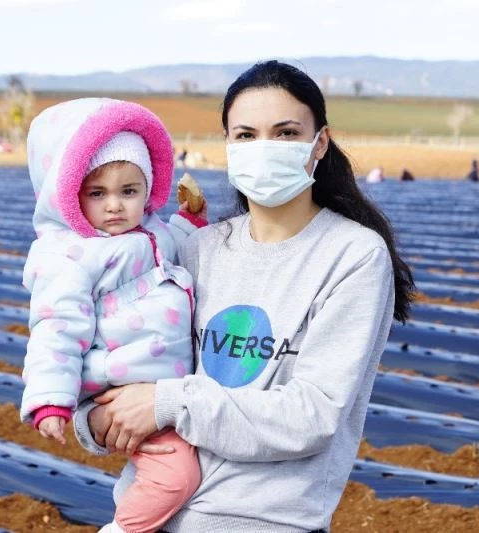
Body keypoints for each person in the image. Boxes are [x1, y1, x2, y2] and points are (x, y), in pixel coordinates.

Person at [73, 61, 415, 532]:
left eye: (285, 133)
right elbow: (134, 358)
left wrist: (167, 404)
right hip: (152, 516)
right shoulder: (197, 249)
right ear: (229, 147)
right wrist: (95, 416)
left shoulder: (352, 256)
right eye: (247, 135)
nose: (264, 149)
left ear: (319, 143)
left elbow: (311, 415)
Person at [20, 98, 206, 533]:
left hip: (160, 382)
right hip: (121, 385)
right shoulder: (71, 256)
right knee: (176, 476)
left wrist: (190, 222)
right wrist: (51, 399)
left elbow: (165, 243)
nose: (115, 206)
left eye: (129, 191)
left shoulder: (149, 230)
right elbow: (56, 329)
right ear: (69, 195)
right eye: (97, 193)